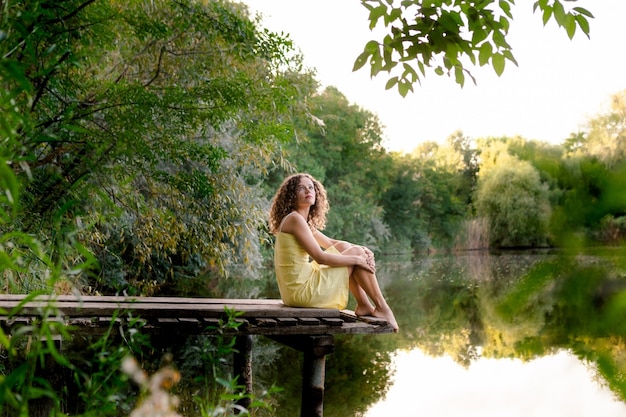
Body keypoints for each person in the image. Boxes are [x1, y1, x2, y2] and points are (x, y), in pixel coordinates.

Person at [268, 173, 399, 332]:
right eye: (301, 188)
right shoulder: (295, 220)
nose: (308, 190)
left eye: (311, 187)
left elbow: (331, 244)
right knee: (354, 254)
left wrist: (363, 250)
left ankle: (364, 304)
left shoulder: (301, 221)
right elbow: (320, 257)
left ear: (316, 194)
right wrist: (357, 259)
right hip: (301, 291)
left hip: (295, 291)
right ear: (291, 195)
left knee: (347, 248)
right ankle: (382, 307)